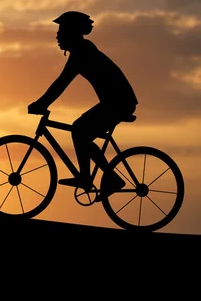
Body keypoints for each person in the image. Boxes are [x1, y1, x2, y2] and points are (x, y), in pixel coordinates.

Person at [27, 11, 138, 198]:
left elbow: (60, 84)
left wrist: (41, 104)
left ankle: (97, 178)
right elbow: (60, 84)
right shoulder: (82, 50)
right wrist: (42, 102)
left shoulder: (82, 52)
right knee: (81, 132)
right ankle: (96, 177)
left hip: (119, 103)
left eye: (61, 31)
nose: (57, 35)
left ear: (72, 32)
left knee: (79, 130)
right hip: (117, 102)